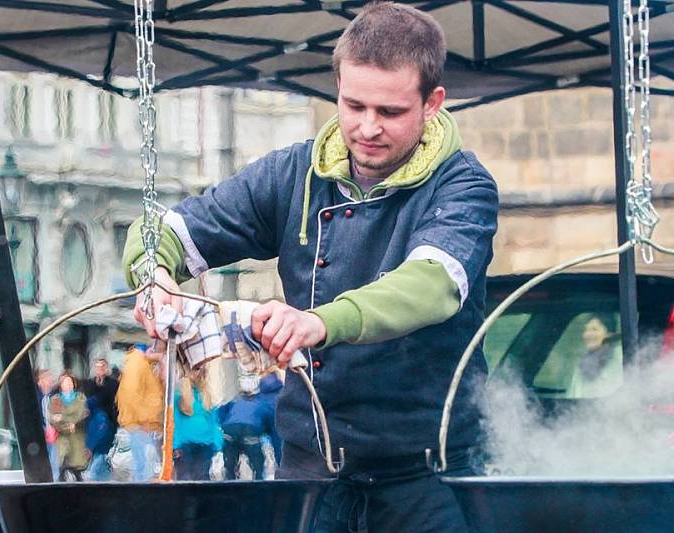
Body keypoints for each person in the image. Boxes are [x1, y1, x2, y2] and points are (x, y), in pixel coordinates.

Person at [123, 2, 498, 530]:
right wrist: (154, 275)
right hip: (311, 470)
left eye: (389, 112)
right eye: (353, 105)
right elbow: (163, 231)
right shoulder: (291, 175)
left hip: (429, 476)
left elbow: (432, 284)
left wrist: (318, 321)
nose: (367, 128)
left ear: (432, 102)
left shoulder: (463, 186)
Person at [218, 372, 281, 480]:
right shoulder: (275, 401)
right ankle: (257, 489)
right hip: (251, 429)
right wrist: (279, 460)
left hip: (230, 429)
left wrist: (223, 424)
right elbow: (275, 434)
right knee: (258, 467)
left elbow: (220, 410)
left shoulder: (245, 398)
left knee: (230, 467)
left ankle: (229, 489)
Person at [116, 344, 164, 481]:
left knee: (146, 465)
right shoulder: (138, 363)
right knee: (145, 467)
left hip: (144, 424)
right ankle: (145, 498)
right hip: (142, 425)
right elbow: (131, 395)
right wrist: (145, 420)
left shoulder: (143, 364)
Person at [172, 367, 223, 481]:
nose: (200, 373)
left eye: (202, 370)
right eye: (196, 369)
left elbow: (214, 421)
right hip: (184, 446)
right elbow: (175, 422)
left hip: (205, 445)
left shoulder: (206, 394)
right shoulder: (178, 396)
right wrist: (175, 445)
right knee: (185, 480)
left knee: (203, 479)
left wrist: (217, 443)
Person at [569, 313, 622, 398]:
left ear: (609, 334)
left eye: (594, 329)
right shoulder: (582, 363)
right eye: (586, 330)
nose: (587, 334)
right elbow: (573, 395)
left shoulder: (619, 357)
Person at [49, 373, 90, 481]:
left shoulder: (81, 398)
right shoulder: (56, 399)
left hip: (77, 436)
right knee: (63, 459)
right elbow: (54, 418)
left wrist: (73, 423)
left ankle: (78, 478)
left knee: (77, 462)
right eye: (65, 382)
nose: (68, 385)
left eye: (70, 382)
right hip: (62, 436)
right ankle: (61, 479)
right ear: (61, 385)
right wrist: (68, 426)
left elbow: (82, 414)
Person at [83, 358, 119, 481]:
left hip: (107, 420)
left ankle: (94, 472)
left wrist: (90, 403)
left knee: (102, 448)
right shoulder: (90, 383)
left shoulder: (112, 383)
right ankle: (102, 475)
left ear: (106, 368)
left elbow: (105, 397)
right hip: (93, 421)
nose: (100, 369)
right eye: (97, 367)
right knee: (100, 451)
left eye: (102, 366)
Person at [35, 368, 59, 471]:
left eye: (51, 379)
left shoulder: (55, 396)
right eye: (47, 379)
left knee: (55, 463)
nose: (51, 381)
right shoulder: (35, 397)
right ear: (40, 381)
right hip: (40, 434)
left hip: (55, 435)